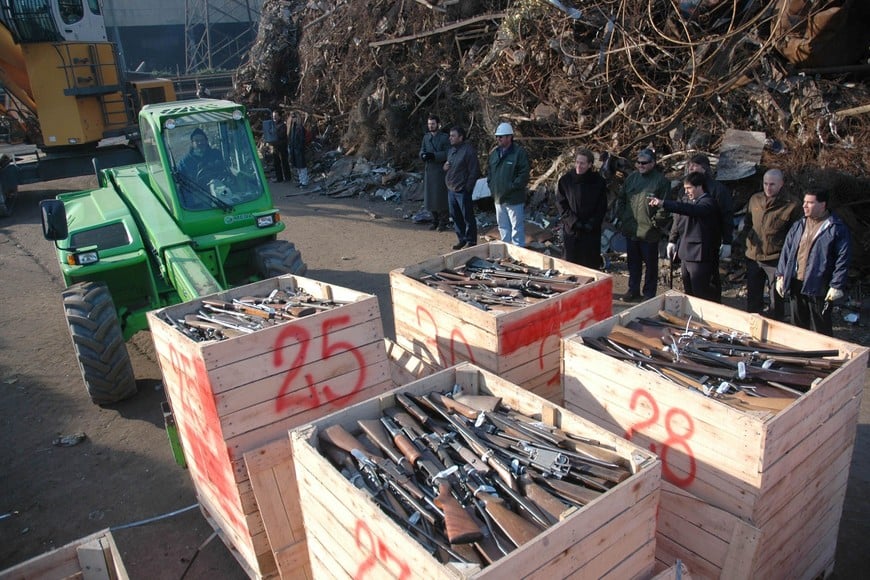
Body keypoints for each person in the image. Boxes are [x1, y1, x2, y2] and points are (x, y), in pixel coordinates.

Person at [775, 189, 851, 336]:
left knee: (820, 327)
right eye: (804, 202)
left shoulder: (835, 228)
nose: (804, 206)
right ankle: (798, 355)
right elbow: (787, 250)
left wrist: (836, 285)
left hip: (819, 285)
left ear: (823, 205)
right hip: (796, 283)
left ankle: (823, 356)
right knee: (797, 326)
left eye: (810, 202)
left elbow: (843, 258)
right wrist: (781, 274)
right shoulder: (799, 225)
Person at [650, 172, 722, 302]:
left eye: (689, 188)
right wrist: (672, 240)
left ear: (699, 186)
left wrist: (664, 203)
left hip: (699, 255)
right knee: (688, 291)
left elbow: (691, 210)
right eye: (685, 188)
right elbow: (678, 219)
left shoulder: (708, 203)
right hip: (685, 253)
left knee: (700, 293)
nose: (686, 191)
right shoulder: (685, 200)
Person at [741, 169, 801, 320]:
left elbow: (795, 235)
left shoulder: (792, 205)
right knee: (753, 296)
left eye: (772, 184)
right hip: (754, 257)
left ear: (781, 184)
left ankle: (776, 326)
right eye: (765, 184)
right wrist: (747, 241)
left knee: (776, 298)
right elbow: (748, 223)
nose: (768, 188)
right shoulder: (755, 199)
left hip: (776, 259)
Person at [615, 147, 671, 301]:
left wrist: (655, 223)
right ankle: (633, 290)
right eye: (638, 162)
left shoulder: (661, 181)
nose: (641, 165)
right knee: (633, 264)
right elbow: (621, 198)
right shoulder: (631, 178)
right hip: (631, 229)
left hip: (649, 232)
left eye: (644, 163)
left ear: (653, 163)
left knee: (651, 266)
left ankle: (649, 294)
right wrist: (623, 216)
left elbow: (665, 207)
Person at [556, 148, 608, 269]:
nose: (579, 166)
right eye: (577, 162)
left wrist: (592, 223)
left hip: (591, 232)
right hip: (572, 231)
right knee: (571, 265)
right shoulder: (566, 181)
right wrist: (574, 222)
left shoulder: (598, 182)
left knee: (589, 265)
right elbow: (561, 204)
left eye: (582, 163)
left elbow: (602, 206)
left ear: (590, 164)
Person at [487, 122, 530, 247]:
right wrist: (492, 187)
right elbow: (489, 172)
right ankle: (506, 251)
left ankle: (519, 252)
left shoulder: (519, 153)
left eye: (501, 137)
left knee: (517, 227)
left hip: (514, 198)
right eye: (497, 137)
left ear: (509, 137)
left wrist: (512, 187)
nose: (498, 139)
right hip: (498, 198)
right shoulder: (495, 154)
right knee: (503, 227)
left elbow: (524, 174)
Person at [444, 126, 480, 250]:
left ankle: (471, 241)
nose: (450, 138)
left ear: (461, 137)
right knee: (455, 216)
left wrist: (468, 188)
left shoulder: (468, 151)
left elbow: (474, 171)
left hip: (462, 190)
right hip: (451, 189)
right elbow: (449, 166)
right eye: (450, 135)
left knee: (467, 217)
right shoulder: (451, 150)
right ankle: (462, 239)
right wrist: (445, 168)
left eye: (453, 136)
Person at [419, 115, 451, 231]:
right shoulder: (426, 137)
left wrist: (434, 156)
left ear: (438, 124)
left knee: (441, 197)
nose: (431, 126)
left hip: (440, 170)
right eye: (429, 124)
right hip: (429, 169)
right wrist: (423, 155)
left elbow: (448, 153)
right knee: (430, 197)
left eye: (433, 124)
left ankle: (444, 221)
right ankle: (434, 220)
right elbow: (422, 150)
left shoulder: (444, 137)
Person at [267, 110, 290, 183]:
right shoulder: (272, 125)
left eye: (276, 116)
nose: (274, 118)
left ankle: (287, 178)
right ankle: (279, 178)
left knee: (284, 162)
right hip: (275, 147)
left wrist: (274, 132)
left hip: (282, 146)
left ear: (279, 116)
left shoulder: (283, 125)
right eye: (273, 116)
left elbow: (281, 135)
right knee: (276, 163)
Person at [287, 112, 309, 187]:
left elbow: (302, 140)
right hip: (294, 149)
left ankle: (304, 182)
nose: (293, 119)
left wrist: (299, 148)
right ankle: (301, 181)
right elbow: (290, 139)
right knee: (298, 167)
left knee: (302, 167)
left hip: (299, 150)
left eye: (294, 117)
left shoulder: (300, 128)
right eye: (292, 117)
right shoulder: (293, 127)